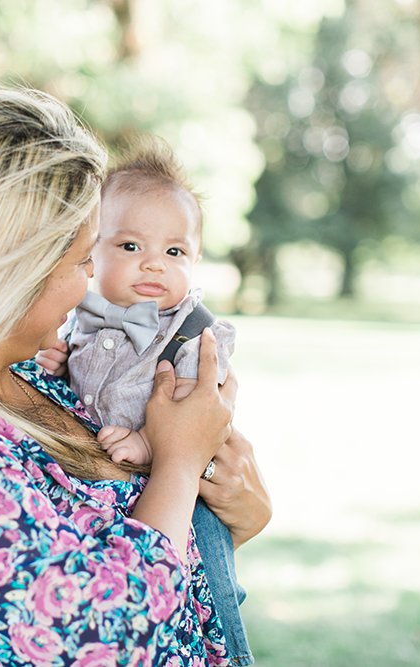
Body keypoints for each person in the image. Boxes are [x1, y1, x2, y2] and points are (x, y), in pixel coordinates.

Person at [0, 88, 272, 666]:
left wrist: (235, 510)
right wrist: (182, 464)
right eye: (86, 259)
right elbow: (103, 640)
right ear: (9, 269)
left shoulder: (43, 380)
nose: (91, 285)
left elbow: (150, 551)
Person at [35, 140, 255, 665]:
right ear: (92, 252)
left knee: (213, 597)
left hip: (189, 500)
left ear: (195, 259)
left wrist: (145, 442)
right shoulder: (79, 319)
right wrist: (61, 364)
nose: (154, 264)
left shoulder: (193, 337)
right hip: (126, 501)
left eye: (174, 252)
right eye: (131, 247)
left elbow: (199, 419)